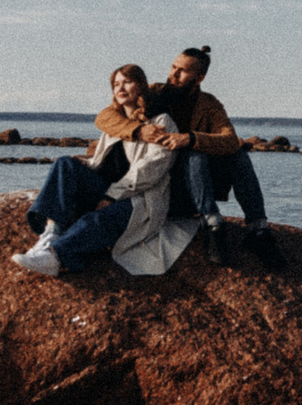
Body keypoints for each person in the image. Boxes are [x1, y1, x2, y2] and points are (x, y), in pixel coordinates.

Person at [94, 45, 287, 270]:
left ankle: (258, 229)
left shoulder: (209, 104)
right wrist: (139, 130)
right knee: (194, 155)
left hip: (193, 186)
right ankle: (212, 225)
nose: (173, 75)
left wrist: (190, 138)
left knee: (236, 156)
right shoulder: (152, 93)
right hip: (158, 183)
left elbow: (230, 140)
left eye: (182, 71)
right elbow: (104, 117)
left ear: (199, 77)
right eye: (173, 67)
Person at [12, 66, 197, 277]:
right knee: (64, 164)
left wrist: (112, 196)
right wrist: (86, 164)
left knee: (98, 219)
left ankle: (55, 257)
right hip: (105, 187)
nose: (121, 87)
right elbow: (106, 159)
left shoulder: (161, 122)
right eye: (116, 84)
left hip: (138, 198)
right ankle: (49, 236)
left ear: (141, 86)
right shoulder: (117, 121)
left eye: (127, 82)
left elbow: (151, 169)